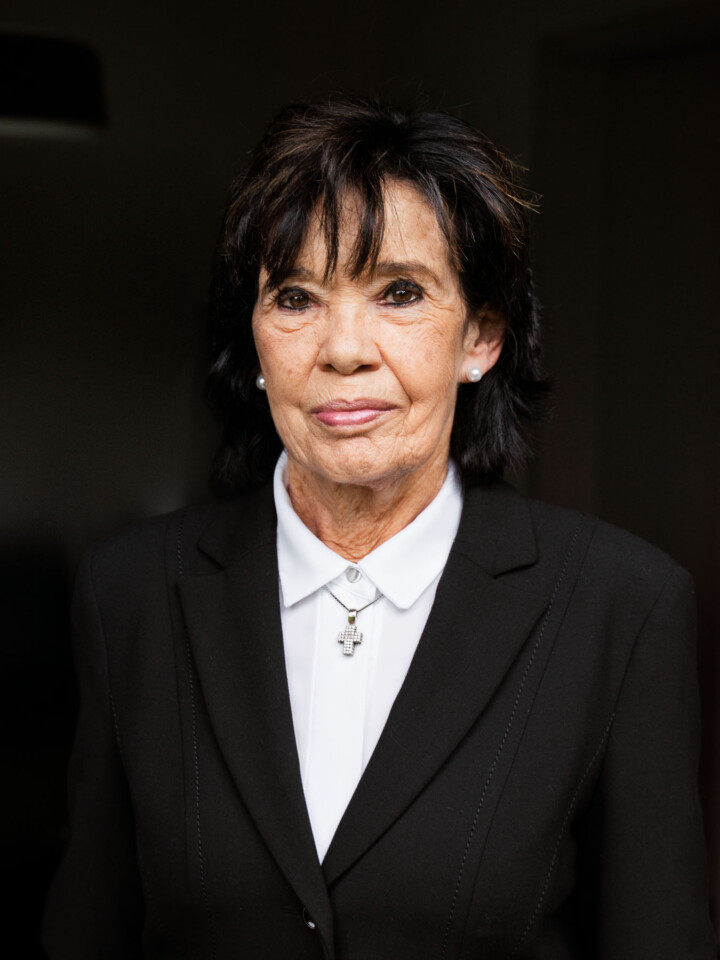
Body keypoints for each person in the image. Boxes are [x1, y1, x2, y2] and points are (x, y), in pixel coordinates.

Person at [42, 96, 716, 959]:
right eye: (296, 297)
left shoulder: (623, 607)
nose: (344, 349)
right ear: (255, 343)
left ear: (481, 336)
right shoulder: (129, 593)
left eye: (400, 293)